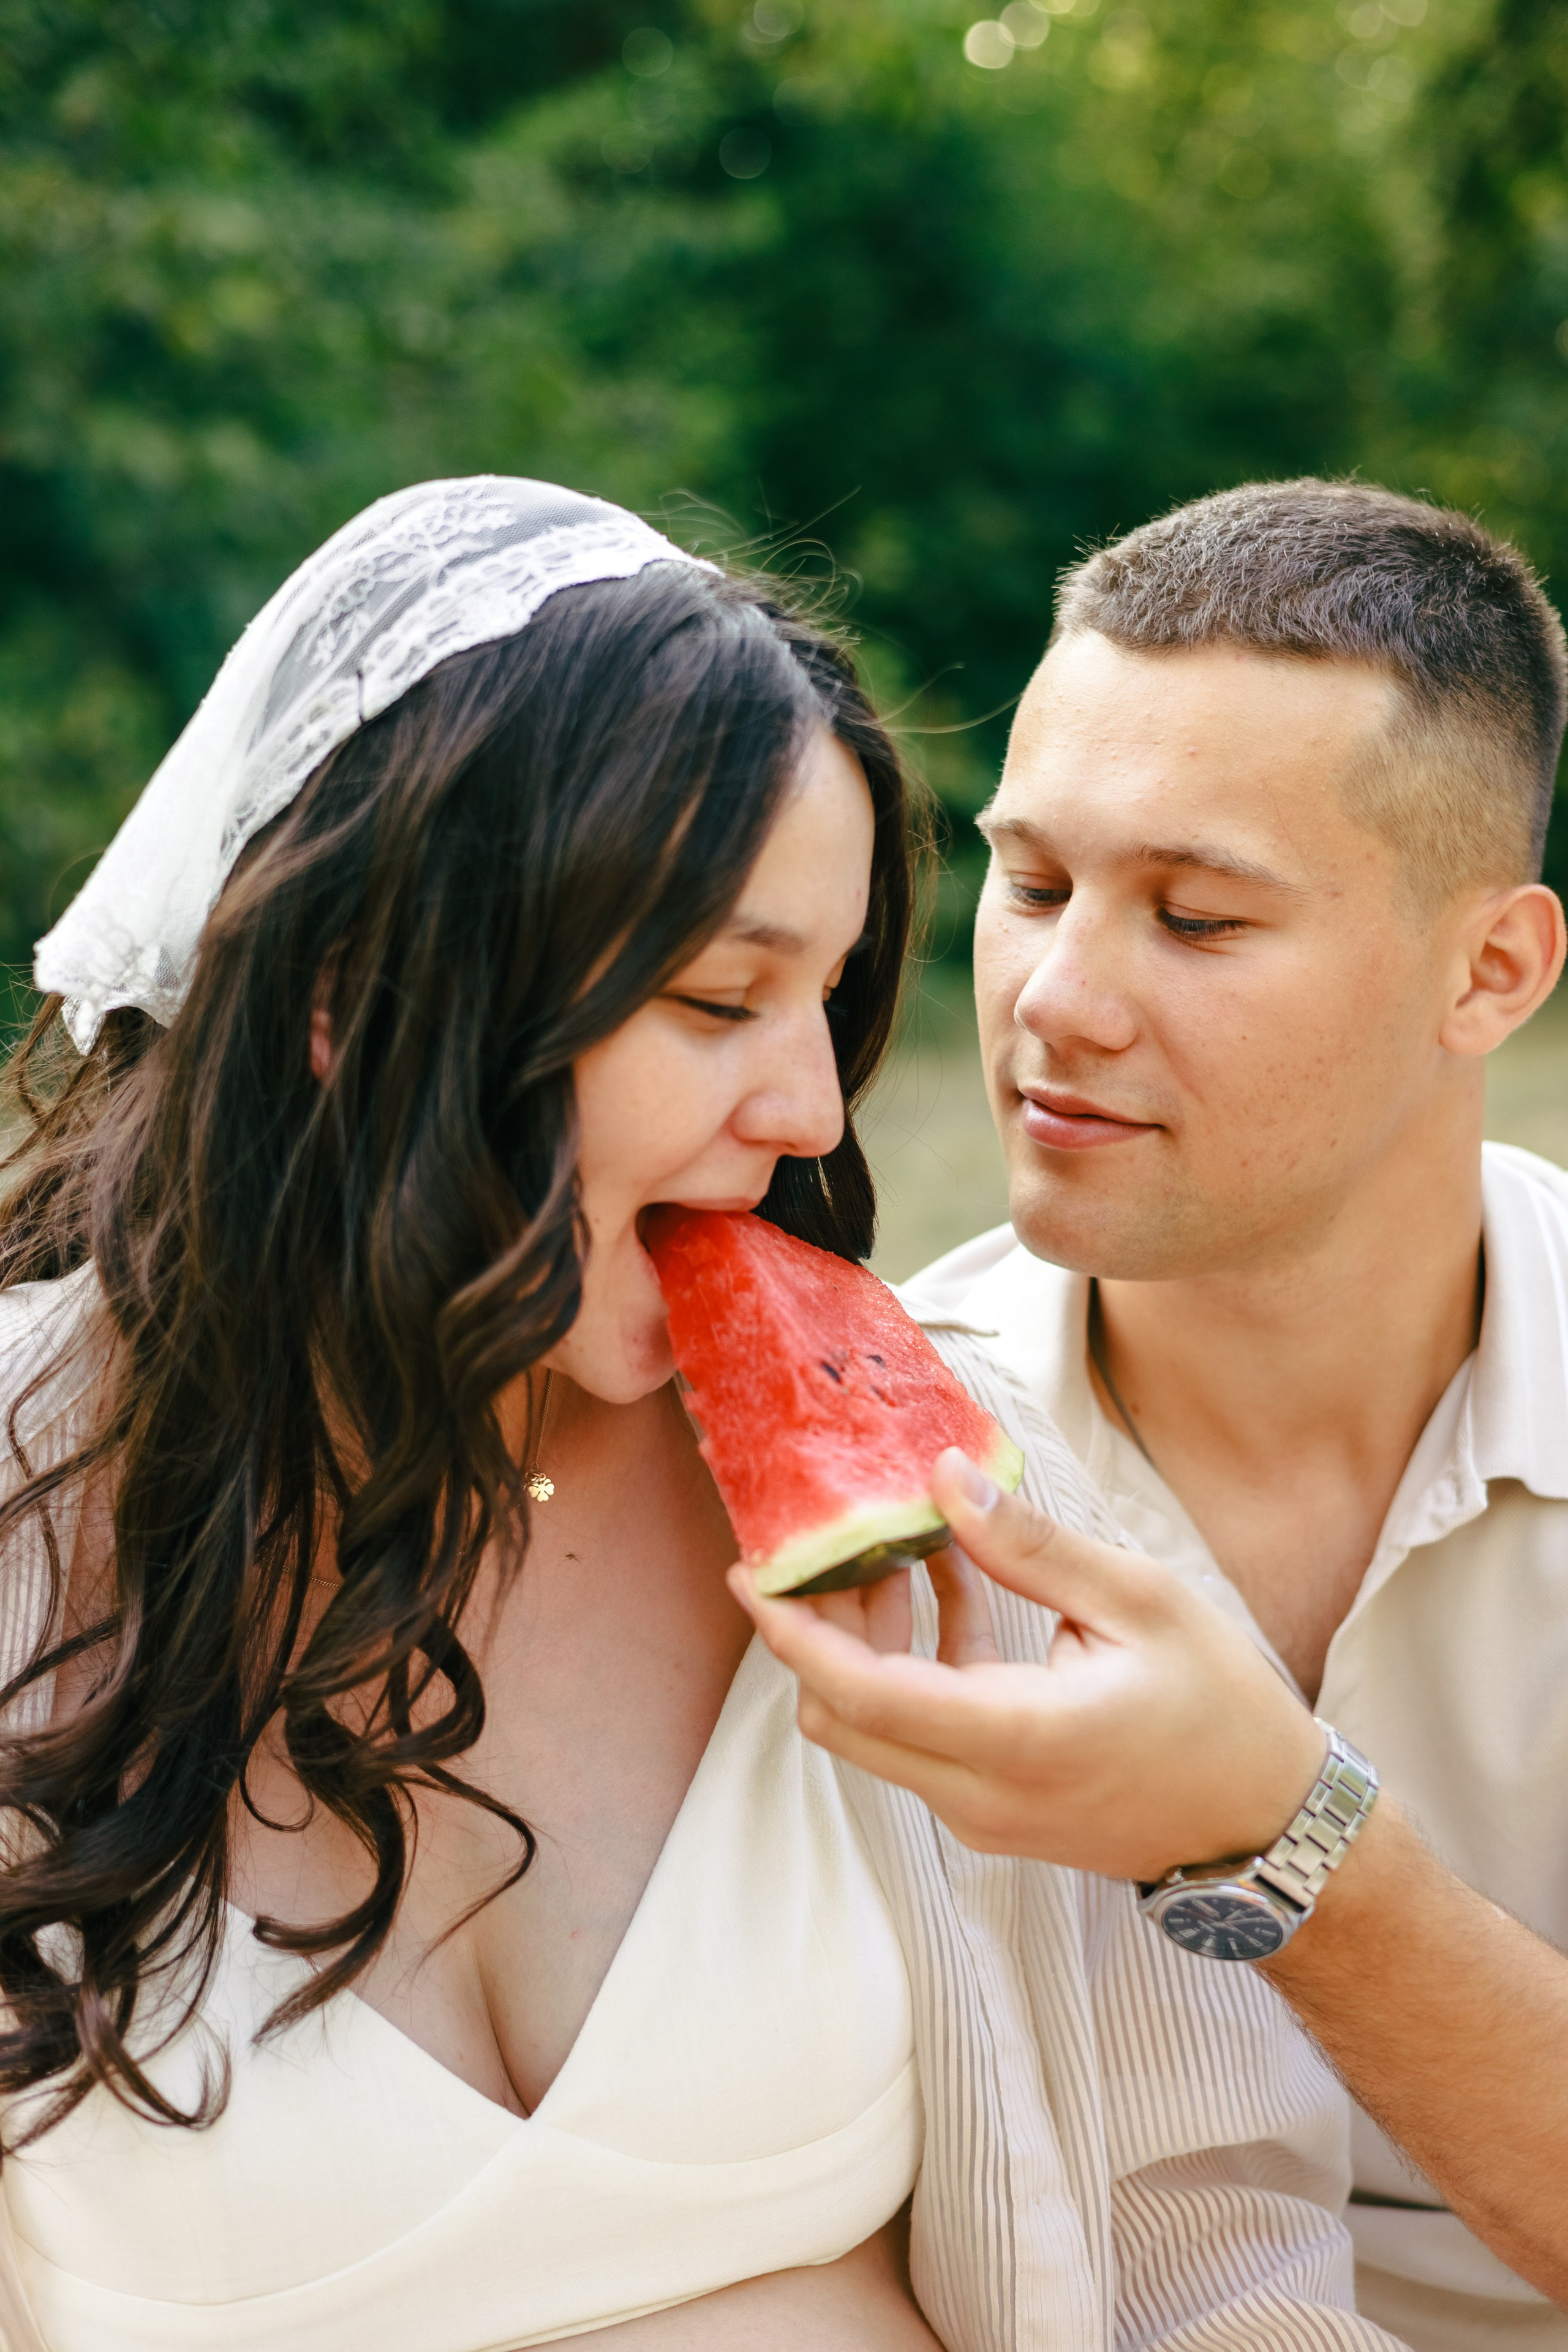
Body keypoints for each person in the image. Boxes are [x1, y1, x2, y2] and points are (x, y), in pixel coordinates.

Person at [0, 475, 1401, 2352]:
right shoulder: (29, 1501)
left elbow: (1210, 2252)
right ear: (351, 996)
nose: (815, 1112)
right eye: (722, 998)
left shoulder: (953, 1473)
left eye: (826, 997)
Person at [736, 480, 1568, 2352]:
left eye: (1196, 920)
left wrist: (1285, 1845)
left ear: (1491, 971)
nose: (1057, 1002)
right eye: (1029, 886)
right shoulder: (891, 1440)